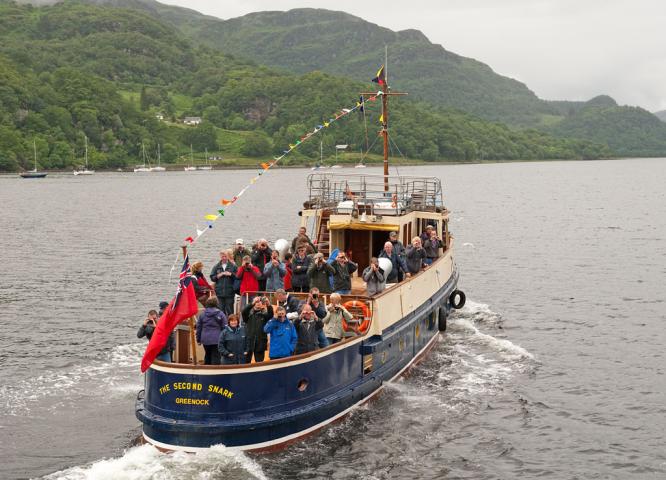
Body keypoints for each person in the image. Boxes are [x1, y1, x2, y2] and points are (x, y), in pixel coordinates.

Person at [196, 297, 227, 365]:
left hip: (205, 339)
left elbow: (199, 328)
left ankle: (207, 371)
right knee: (216, 356)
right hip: (217, 339)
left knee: (207, 355)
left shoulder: (202, 314)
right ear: (216, 303)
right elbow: (224, 327)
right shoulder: (221, 314)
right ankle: (215, 373)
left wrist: (198, 340)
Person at [242, 296, 273, 363]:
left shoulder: (265, 315)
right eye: (257, 302)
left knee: (259, 363)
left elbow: (271, 314)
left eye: (260, 302)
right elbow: (244, 311)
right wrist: (252, 303)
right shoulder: (248, 315)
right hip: (248, 342)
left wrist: (268, 304)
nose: (258, 303)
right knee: (246, 362)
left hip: (261, 342)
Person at [210, 250, 238, 315]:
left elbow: (238, 277)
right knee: (220, 310)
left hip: (230, 292)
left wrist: (231, 274)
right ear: (220, 257)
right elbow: (212, 278)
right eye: (223, 257)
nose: (224, 258)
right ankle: (221, 324)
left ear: (228, 256)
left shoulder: (233, 266)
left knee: (230, 310)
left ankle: (231, 324)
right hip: (219, 292)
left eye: (225, 256)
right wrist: (218, 276)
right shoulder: (216, 266)